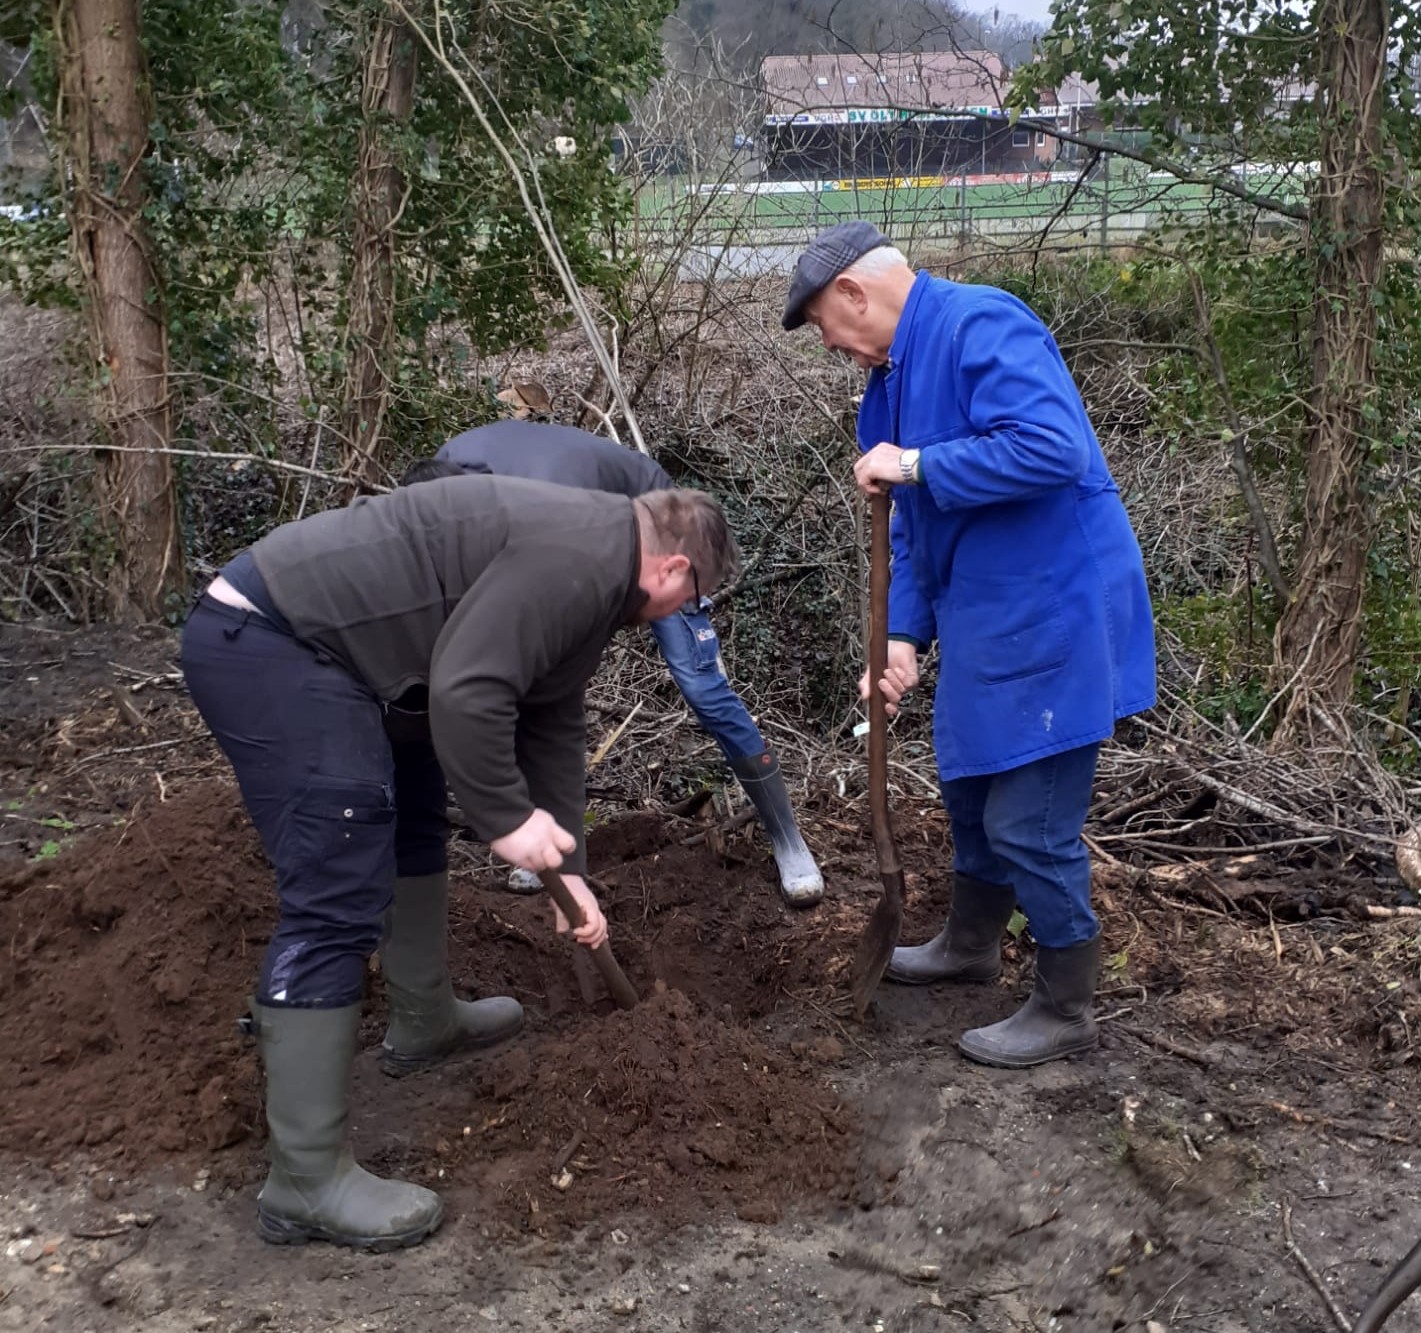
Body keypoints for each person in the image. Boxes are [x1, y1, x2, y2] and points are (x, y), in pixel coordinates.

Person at [181, 476, 737, 1249]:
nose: (683, 616)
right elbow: (468, 688)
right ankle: (304, 1180)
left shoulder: (599, 570)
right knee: (338, 875)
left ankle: (422, 1021)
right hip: (275, 641)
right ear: (675, 570)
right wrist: (507, 820)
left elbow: (551, 716)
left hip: (357, 664)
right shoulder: (582, 555)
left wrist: (567, 860)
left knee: (412, 808)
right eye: (694, 599)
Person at [782, 221, 1156, 1069]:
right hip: (984, 609)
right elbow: (907, 531)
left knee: (1029, 818)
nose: (831, 346)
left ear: (852, 292)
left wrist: (913, 463)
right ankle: (970, 944)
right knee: (969, 784)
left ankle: (1066, 1005)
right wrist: (903, 635)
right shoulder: (884, 388)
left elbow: (1051, 448)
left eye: (824, 326)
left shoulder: (979, 323)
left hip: (1055, 601)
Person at [399, 419, 824, 908]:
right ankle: (551, 849)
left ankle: (788, 839)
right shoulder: (444, 479)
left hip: (666, 536)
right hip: (590, 538)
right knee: (523, 677)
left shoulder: (538, 503)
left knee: (701, 686)